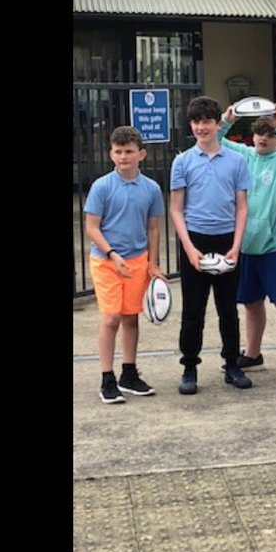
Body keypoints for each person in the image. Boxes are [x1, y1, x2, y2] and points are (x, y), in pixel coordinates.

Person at [215, 104, 276, 377]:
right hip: (245, 246)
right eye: (259, 134)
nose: (262, 139)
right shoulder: (244, 156)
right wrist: (227, 120)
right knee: (251, 303)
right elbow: (215, 140)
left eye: (269, 134)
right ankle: (252, 355)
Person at [169, 96, 252, 395]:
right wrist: (189, 249)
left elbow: (242, 207)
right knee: (193, 309)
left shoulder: (237, 161)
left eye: (207, 121)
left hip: (226, 239)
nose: (201, 127)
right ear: (191, 126)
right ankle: (189, 367)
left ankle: (232, 364)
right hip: (196, 240)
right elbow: (176, 209)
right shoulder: (182, 162)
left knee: (228, 308)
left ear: (219, 124)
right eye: (196, 122)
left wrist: (237, 245)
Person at [84, 126, 165, 403]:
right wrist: (112, 254)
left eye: (129, 151)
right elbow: (92, 227)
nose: (123, 157)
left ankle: (128, 374)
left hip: (137, 260)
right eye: (118, 152)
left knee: (131, 318)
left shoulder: (151, 188)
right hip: (106, 261)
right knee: (111, 318)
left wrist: (153, 263)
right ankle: (107, 378)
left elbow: (153, 228)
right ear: (111, 154)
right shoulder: (102, 186)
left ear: (141, 154)